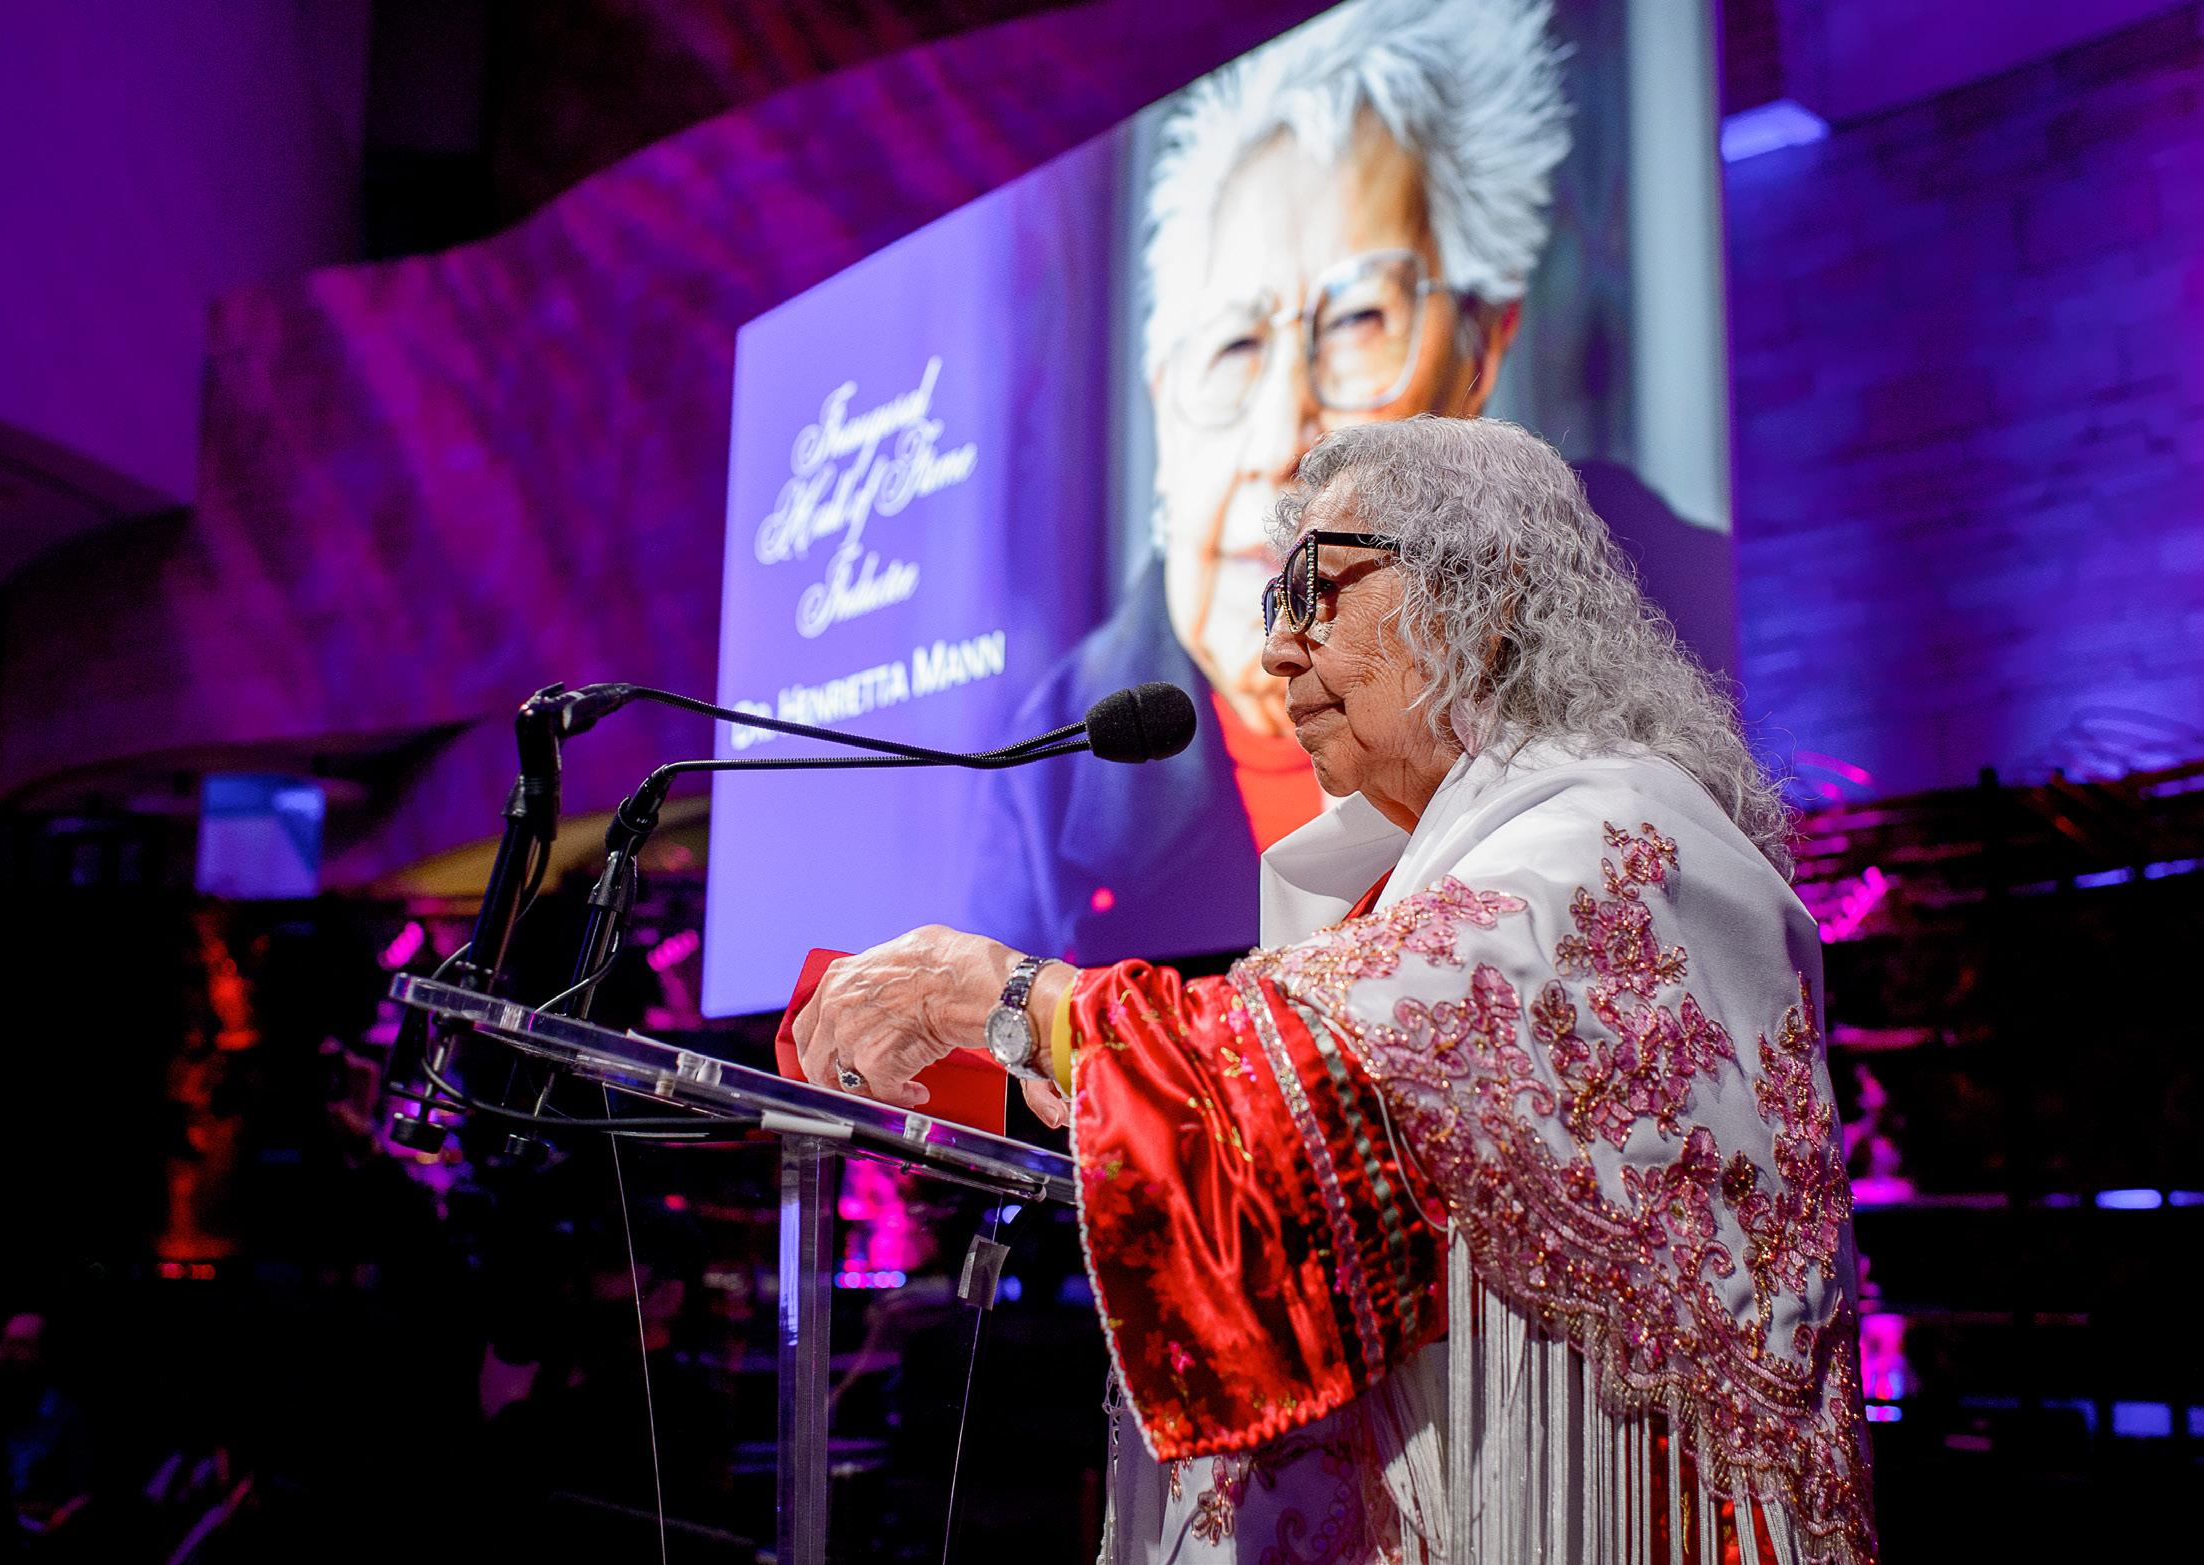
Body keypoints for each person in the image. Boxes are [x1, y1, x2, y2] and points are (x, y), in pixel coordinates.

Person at [798, 419, 1874, 1563]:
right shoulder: (1424, 873)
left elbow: (1320, 1060)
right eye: (1276, 601)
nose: (1275, 650)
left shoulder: (1613, 837)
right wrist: (1083, 1067)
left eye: (1316, 586)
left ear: (1482, 593)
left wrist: (1008, 996)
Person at [969, 0, 1572, 966]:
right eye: (1234, 346)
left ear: (1481, 349)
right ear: (1162, 402)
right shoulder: (1046, 761)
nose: (1276, 437)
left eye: (1358, 321)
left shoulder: (1614, 625)